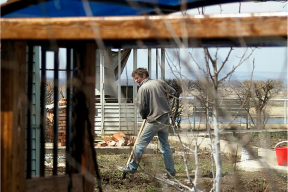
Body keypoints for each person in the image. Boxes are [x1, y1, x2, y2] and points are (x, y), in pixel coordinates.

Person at [117, 67, 176, 178]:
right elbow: (173, 92)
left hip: (154, 119)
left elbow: (141, 106)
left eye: (137, 78)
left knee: (140, 144)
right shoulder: (159, 82)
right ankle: (171, 172)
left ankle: (131, 168)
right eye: (135, 79)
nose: (136, 81)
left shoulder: (143, 88)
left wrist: (144, 116)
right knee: (164, 145)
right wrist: (164, 103)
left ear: (144, 75)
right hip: (165, 117)